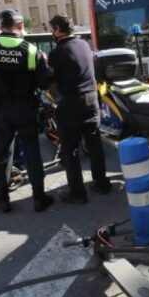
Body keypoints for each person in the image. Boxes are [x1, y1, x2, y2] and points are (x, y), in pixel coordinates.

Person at [0, 9, 54, 213]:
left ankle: (3, 199)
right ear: (19, 26)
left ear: (1, 27)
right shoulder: (31, 50)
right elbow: (44, 82)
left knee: (1, 154)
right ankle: (38, 198)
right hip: (26, 108)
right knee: (32, 153)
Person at [48, 14, 111, 204]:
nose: (52, 33)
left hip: (71, 102)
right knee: (94, 144)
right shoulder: (84, 44)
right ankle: (101, 183)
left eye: (53, 29)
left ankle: (77, 192)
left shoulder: (57, 52)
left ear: (59, 29)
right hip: (91, 99)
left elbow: (52, 84)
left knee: (71, 149)